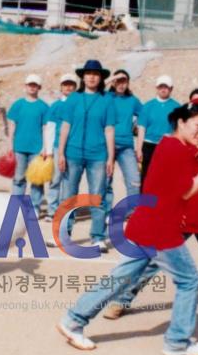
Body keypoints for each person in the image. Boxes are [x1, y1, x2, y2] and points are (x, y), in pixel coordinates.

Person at [55, 101, 198, 355]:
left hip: (146, 224)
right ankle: (176, 342)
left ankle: (73, 321)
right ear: (181, 123)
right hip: (160, 229)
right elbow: (187, 190)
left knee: (121, 279)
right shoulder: (177, 150)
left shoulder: (170, 145)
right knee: (189, 281)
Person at [104, 109, 198, 322]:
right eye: (197, 123)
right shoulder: (179, 146)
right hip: (179, 215)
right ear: (185, 122)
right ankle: (122, 299)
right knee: (150, 261)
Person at [57, 60, 115, 252]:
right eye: (88, 73)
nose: (92, 77)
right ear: (82, 76)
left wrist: (110, 157)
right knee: (68, 196)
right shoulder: (73, 98)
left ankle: (98, 237)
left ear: (101, 78)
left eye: (96, 74)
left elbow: (109, 129)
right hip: (72, 153)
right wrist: (61, 153)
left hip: (98, 155)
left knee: (97, 196)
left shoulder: (107, 100)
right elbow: (65, 126)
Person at [102, 69, 143, 231]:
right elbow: (95, 91)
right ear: (113, 82)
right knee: (105, 181)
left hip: (126, 146)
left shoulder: (132, 100)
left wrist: (135, 128)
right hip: (106, 144)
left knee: (134, 180)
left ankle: (131, 214)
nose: (121, 84)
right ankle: (106, 212)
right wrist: (112, 77)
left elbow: (145, 115)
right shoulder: (107, 97)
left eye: (124, 81)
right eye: (118, 81)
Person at [7, 74, 49, 213]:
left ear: (39, 88)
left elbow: (45, 128)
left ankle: (35, 207)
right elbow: (12, 125)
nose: (32, 87)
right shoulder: (18, 104)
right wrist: (10, 145)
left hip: (36, 149)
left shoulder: (43, 107)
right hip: (19, 147)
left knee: (37, 179)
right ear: (25, 87)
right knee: (19, 178)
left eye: (35, 85)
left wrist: (45, 147)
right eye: (30, 85)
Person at [41, 73, 77, 219]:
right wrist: (48, 150)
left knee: (70, 179)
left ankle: (66, 209)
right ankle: (52, 209)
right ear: (61, 87)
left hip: (74, 147)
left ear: (75, 87)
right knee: (56, 178)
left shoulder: (79, 104)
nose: (68, 87)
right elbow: (49, 127)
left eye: (71, 84)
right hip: (57, 146)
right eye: (65, 84)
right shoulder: (56, 106)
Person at [136, 75, 179, 183]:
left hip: (167, 145)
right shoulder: (148, 106)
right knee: (146, 176)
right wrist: (139, 149)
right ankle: (145, 199)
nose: (163, 89)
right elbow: (142, 128)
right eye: (161, 87)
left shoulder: (177, 107)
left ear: (171, 89)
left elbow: (178, 130)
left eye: (166, 87)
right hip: (149, 145)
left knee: (166, 177)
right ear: (156, 88)